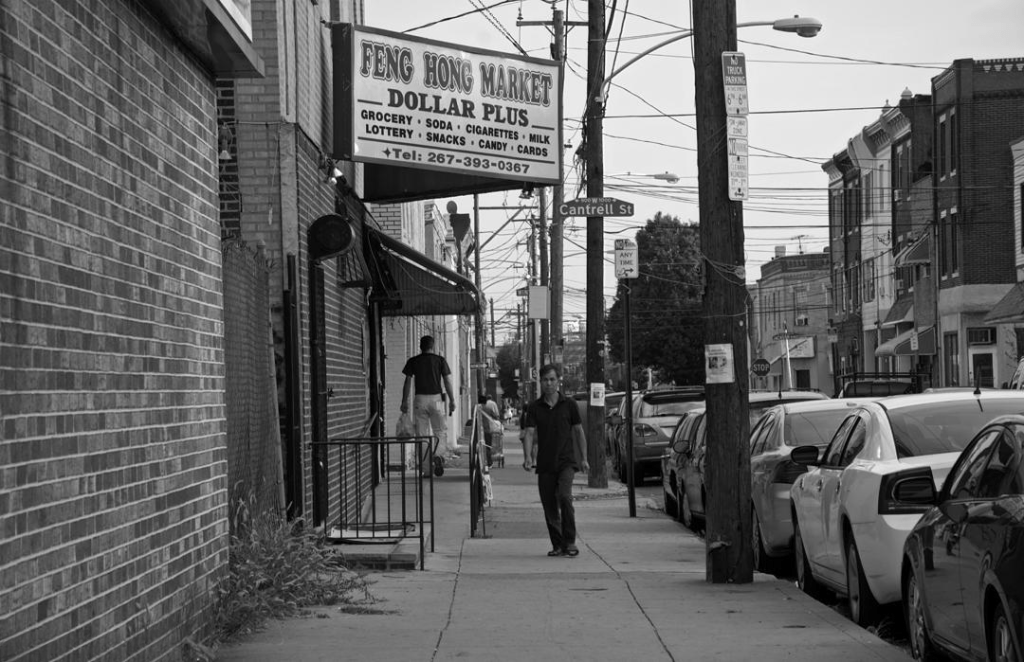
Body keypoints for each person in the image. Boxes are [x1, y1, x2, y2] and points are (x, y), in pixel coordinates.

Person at [522, 364, 589, 557]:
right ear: (540, 382)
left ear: (558, 381)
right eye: (545, 380)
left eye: (552, 379)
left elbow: (578, 431)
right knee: (549, 505)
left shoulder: (569, 405)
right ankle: (558, 544)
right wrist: (528, 457)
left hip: (566, 461)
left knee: (565, 497)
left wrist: (584, 459)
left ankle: (570, 541)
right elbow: (529, 433)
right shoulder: (535, 407)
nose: (549, 383)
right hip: (545, 463)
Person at [401, 335, 456, 476]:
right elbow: (447, 381)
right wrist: (452, 400)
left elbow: (407, 382)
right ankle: (438, 454)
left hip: (420, 399)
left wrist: (404, 401)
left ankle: (426, 470)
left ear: (421, 346)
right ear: (433, 346)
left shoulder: (413, 361)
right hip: (437, 399)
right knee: (440, 430)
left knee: (422, 435)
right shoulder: (440, 360)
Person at [476, 394, 503, 468]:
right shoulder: (488, 409)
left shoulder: (475, 409)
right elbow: (496, 417)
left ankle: (478, 462)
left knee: (477, 446)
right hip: (486, 430)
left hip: (477, 431)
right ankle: (489, 462)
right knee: (487, 446)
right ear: (485, 402)